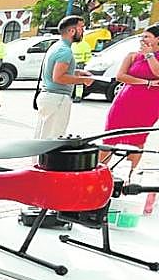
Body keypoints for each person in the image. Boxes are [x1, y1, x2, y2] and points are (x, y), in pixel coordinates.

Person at [99, 24, 159, 174]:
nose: (143, 39)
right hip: (125, 100)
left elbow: (157, 72)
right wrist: (147, 82)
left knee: (138, 138)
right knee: (110, 135)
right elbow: (121, 76)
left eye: (147, 36)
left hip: (149, 104)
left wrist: (149, 55)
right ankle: (100, 171)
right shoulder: (132, 55)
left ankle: (128, 174)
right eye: (142, 36)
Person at [33, 15, 92, 139]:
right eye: (81, 27)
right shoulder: (65, 51)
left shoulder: (57, 46)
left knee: (42, 137)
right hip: (57, 98)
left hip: (49, 97)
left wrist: (77, 73)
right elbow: (59, 77)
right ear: (72, 31)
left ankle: (38, 159)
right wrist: (83, 80)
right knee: (52, 139)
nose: (83, 31)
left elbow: (58, 72)